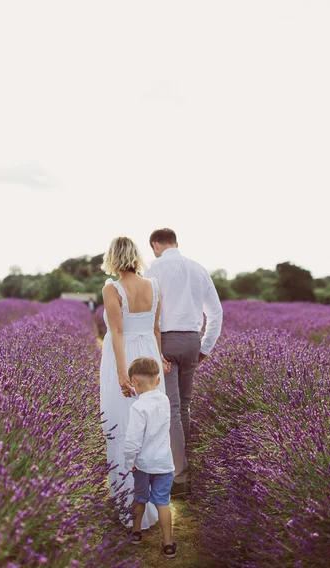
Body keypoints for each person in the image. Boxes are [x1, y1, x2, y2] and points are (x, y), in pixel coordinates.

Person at [145, 228, 223, 494]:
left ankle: (179, 476)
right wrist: (205, 348)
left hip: (164, 341)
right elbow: (216, 313)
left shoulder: (152, 268)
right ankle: (182, 467)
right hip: (192, 341)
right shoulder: (198, 268)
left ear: (155, 245)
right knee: (184, 407)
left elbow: (146, 313)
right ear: (176, 243)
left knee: (172, 409)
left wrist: (151, 350)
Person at [99, 236, 170, 530]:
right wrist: (160, 358)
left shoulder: (111, 288)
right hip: (149, 354)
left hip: (125, 354)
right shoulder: (153, 285)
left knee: (121, 422)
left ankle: (127, 500)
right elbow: (155, 329)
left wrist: (120, 373)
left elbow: (117, 332)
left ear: (114, 258)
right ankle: (149, 499)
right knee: (150, 425)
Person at [124, 357, 177, 559]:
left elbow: (132, 441)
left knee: (139, 498)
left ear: (134, 382)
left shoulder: (137, 408)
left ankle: (136, 534)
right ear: (158, 380)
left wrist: (130, 462)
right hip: (164, 463)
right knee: (163, 502)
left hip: (143, 465)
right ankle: (168, 544)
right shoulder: (164, 400)